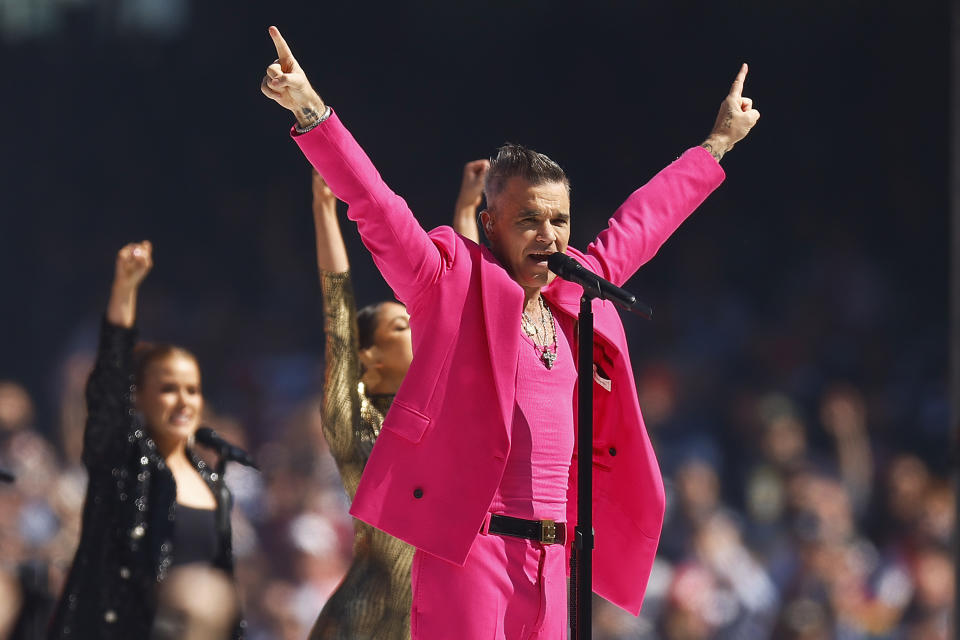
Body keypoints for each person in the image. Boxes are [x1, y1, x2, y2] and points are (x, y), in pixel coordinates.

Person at [261, 25, 758, 639]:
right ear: (490, 223)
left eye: (559, 220)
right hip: (470, 554)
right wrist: (312, 111)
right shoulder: (451, 280)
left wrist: (717, 144)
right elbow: (378, 208)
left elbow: (644, 220)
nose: (549, 236)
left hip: (557, 562)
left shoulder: (579, 287)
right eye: (529, 220)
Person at [307, 158, 487, 639]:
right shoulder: (354, 420)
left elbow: (465, 311)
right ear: (370, 358)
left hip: (428, 619)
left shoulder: (441, 412)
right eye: (401, 326)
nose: (417, 328)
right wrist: (325, 208)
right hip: (360, 624)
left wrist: (466, 212)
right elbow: (337, 319)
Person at [48, 242, 242, 639]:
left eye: (193, 389)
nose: (183, 400)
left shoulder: (214, 486)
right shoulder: (120, 463)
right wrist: (124, 292)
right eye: (168, 388)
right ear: (140, 397)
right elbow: (106, 391)